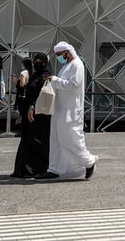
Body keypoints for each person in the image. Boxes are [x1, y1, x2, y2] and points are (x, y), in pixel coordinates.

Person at [35, 42, 98, 180]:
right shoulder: (67, 66)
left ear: (66, 52)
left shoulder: (77, 65)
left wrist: (55, 80)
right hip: (60, 109)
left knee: (68, 139)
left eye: (59, 54)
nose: (58, 57)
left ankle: (88, 161)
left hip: (71, 110)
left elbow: (73, 84)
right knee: (56, 140)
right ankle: (55, 169)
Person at [12, 54, 52, 178]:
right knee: (27, 139)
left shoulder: (47, 75)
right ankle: (23, 169)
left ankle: (37, 168)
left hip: (38, 114)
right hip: (27, 112)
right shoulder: (36, 75)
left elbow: (44, 93)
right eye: (35, 60)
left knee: (36, 140)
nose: (36, 63)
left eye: (39, 61)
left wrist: (33, 106)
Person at [13, 58, 32, 134]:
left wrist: (16, 81)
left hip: (22, 96)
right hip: (29, 95)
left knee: (22, 113)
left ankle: (22, 130)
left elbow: (22, 84)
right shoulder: (32, 72)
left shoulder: (24, 72)